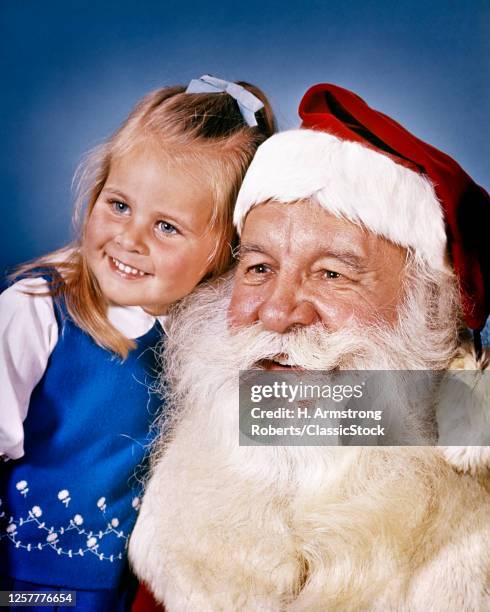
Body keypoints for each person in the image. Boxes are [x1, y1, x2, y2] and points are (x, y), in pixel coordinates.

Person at [129, 84, 490, 610]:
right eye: (258, 268)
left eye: (332, 274)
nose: (275, 314)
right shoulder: (176, 493)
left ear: (430, 313)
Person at [0, 75, 275, 610]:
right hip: (27, 585)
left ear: (222, 252)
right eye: (119, 205)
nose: (129, 238)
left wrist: (463, 405)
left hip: (135, 592)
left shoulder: (207, 342)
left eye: (167, 227)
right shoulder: (38, 310)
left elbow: (292, 411)